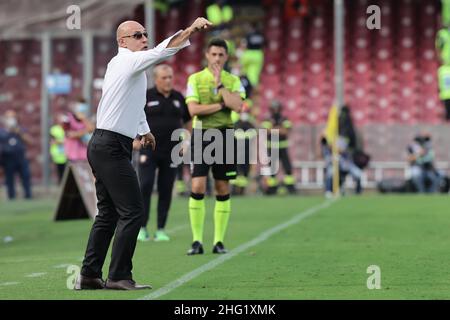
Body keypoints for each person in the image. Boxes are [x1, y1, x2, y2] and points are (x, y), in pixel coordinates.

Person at [75, 18, 212, 291]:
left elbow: (133, 105)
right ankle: (118, 276)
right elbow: (163, 51)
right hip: (110, 146)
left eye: (145, 34)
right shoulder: (127, 61)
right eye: (137, 35)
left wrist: (144, 130)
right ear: (122, 41)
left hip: (107, 144)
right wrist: (190, 30)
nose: (144, 38)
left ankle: (90, 275)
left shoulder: (131, 68)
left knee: (108, 213)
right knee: (133, 209)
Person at [185, 38, 244, 255]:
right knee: (198, 186)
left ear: (226, 57)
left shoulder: (233, 80)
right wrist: (222, 104)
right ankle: (196, 241)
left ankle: (218, 241)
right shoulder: (195, 78)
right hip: (202, 135)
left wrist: (220, 86)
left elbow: (238, 106)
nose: (217, 58)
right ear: (207, 55)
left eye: (221, 55)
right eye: (214, 54)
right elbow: (193, 110)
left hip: (226, 135)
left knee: (222, 188)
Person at [136, 64, 191, 242]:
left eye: (170, 77)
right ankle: (142, 227)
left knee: (166, 189)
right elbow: (133, 117)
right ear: (156, 79)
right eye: (164, 77)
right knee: (145, 185)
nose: (168, 81)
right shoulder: (146, 96)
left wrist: (187, 141)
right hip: (149, 150)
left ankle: (161, 229)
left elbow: (188, 121)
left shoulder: (178, 97)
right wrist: (134, 140)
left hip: (172, 151)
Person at [261, 100, 296, 195]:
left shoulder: (285, 119)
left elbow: (286, 131)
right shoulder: (267, 119)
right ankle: (272, 189)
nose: (275, 110)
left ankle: (290, 188)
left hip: (283, 148)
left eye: (277, 108)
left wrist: (274, 129)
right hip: (272, 148)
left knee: (287, 168)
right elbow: (267, 130)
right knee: (272, 170)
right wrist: (280, 129)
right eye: (274, 108)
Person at [0, 110, 32, 200]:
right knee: (9, 179)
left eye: (13, 117)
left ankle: (28, 196)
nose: (11, 119)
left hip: (21, 157)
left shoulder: (20, 130)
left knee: (25, 177)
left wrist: (18, 132)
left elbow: (30, 141)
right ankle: (11, 197)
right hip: (8, 158)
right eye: (9, 117)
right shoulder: (2, 132)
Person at [63, 98, 95, 162]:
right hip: (72, 155)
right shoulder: (68, 118)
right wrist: (86, 131)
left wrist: (84, 119)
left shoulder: (85, 119)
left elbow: (92, 129)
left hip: (84, 155)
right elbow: (69, 135)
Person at [240, 23, 265, 87]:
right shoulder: (261, 35)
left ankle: (243, 84)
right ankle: (253, 87)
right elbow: (264, 46)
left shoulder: (248, 35)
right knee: (254, 73)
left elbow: (243, 45)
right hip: (258, 54)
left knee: (242, 70)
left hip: (249, 54)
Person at [50, 114, 68, 183]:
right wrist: (63, 141)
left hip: (67, 154)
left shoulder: (66, 128)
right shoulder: (54, 129)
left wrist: (59, 141)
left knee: (66, 172)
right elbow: (52, 141)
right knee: (60, 172)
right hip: (58, 154)